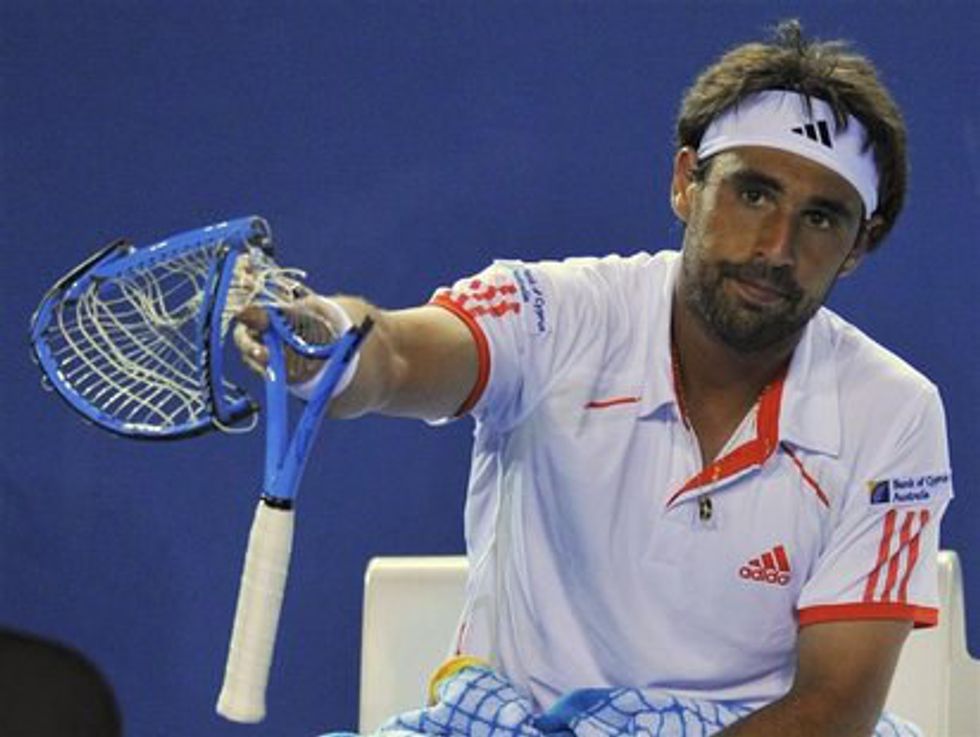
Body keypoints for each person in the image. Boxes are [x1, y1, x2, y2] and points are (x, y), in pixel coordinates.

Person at [235, 20, 953, 737]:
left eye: (821, 218)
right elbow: (394, 354)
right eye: (753, 194)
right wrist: (329, 341)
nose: (776, 247)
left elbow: (833, 710)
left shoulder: (895, 412)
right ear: (686, 183)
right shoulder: (553, 313)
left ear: (858, 245)